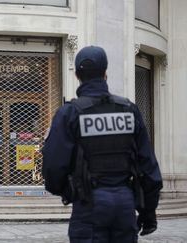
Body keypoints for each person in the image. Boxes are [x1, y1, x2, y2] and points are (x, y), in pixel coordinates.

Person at [42, 46, 163, 242]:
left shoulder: (69, 113)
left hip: (89, 203)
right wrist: (148, 212)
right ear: (105, 73)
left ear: (77, 75)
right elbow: (148, 167)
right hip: (125, 202)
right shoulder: (129, 110)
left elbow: (53, 168)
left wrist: (71, 191)